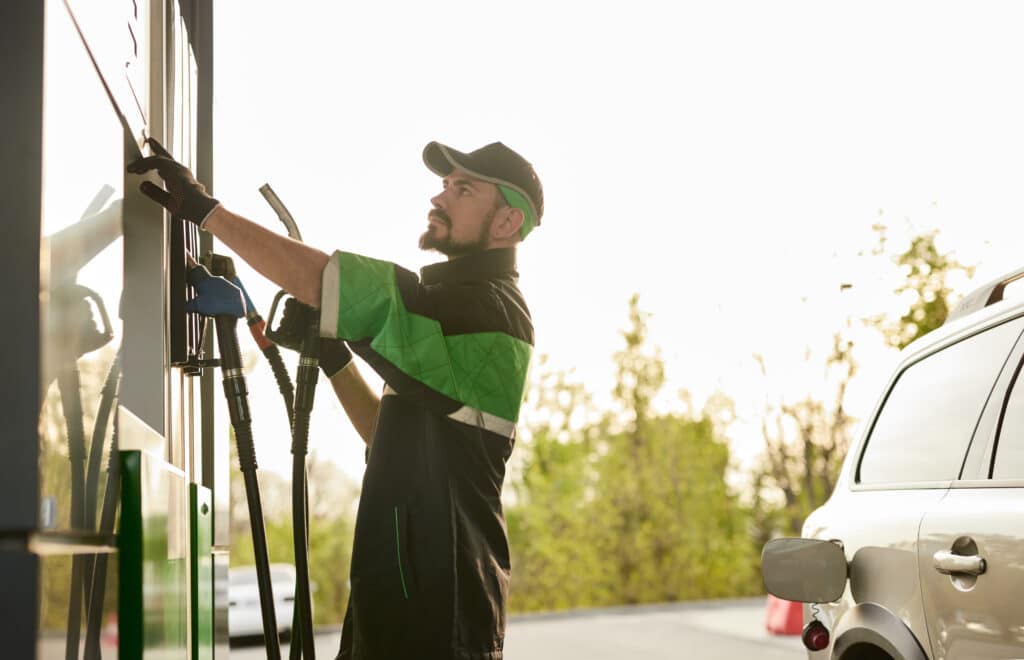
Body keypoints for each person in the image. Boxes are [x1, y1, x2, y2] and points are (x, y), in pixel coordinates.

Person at [128, 139, 544, 660]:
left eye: (463, 190)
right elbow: (387, 434)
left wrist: (207, 212)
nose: (439, 199)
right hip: (397, 597)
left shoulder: (487, 312)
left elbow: (335, 284)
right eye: (443, 186)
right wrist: (335, 360)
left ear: (507, 223)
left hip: (439, 614)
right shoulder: (450, 313)